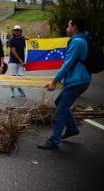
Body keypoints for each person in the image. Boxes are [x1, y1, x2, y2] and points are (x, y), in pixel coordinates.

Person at [38, 18, 91, 150]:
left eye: (68, 26)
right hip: (79, 79)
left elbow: (68, 64)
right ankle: (72, 128)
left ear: (74, 27)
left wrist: (54, 81)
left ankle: (54, 141)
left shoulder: (77, 42)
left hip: (77, 81)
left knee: (61, 109)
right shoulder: (81, 40)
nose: (66, 28)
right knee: (59, 103)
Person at [8, 25, 26, 98]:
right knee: (13, 78)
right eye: (15, 30)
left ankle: (18, 88)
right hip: (13, 61)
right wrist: (20, 60)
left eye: (18, 30)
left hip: (21, 62)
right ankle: (12, 92)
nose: (17, 31)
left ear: (20, 31)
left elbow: (27, 48)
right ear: (13, 31)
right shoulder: (11, 40)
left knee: (20, 78)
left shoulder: (23, 39)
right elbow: (13, 51)